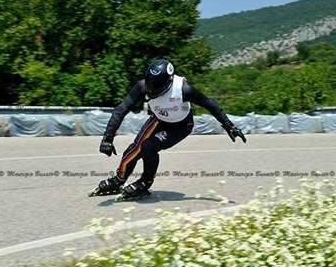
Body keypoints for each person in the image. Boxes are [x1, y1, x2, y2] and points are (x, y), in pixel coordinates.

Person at [89, 59, 246, 201]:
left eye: (155, 88)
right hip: (158, 120)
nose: (150, 91)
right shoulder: (142, 86)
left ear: (169, 81)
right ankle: (118, 180)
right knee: (134, 149)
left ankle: (145, 182)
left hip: (180, 126)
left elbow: (210, 104)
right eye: (149, 86)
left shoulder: (184, 89)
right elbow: (121, 110)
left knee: (148, 147)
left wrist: (229, 125)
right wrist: (107, 138)